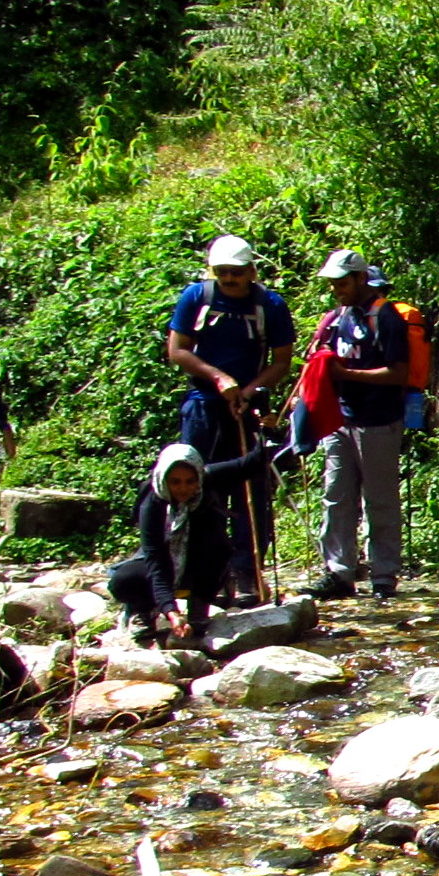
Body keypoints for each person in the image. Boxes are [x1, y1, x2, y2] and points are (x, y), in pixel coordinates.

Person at [163, 234, 294, 603]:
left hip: (247, 406)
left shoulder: (270, 305)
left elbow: (281, 361)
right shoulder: (196, 297)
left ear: (251, 271)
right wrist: (218, 378)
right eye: (222, 274)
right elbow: (177, 350)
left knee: (251, 491)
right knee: (196, 486)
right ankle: (204, 573)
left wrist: (249, 390)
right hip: (203, 404)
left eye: (236, 273)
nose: (230, 281)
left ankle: (248, 573)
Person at [106, 441, 287, 647]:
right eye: (175, 482)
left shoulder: (208, 479)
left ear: (199, 478)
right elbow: (156, 562)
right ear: (164, 479)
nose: (183, 489)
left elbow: (250, 463)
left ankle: (199, 606)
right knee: (123, 581)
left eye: (190, 481)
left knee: (219, 549)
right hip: (164, 559)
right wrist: (171, 612)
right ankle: (143, 610)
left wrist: (268, 433)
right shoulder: (152, 504)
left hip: (199, 559)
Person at [306, 249, 409, 601]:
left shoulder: (387, 317)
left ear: (361, 279)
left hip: (379, 422)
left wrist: (347, 374)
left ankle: (383, 576)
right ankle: (338, 573)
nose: (336, 288)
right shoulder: (339, 318)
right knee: (336, 497)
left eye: (342, 282)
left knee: (379, 500)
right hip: (341, 420)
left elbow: (399, 373)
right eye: (333, 283)